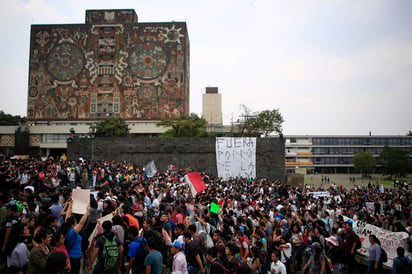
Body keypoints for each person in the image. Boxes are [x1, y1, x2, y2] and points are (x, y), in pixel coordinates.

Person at [63, 203, 90, 274]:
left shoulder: (68, 229)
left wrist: (70, 206)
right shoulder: (73, 232)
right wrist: (87, 212)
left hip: (73, 255)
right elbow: (81, 223)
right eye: (75, 222)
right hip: (74, 257)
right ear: (73, 224)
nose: (77, 223)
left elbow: (67, 217)